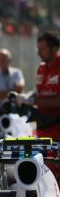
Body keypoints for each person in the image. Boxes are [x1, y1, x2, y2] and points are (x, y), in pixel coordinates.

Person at [18, 31, 60, 182]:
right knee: (45, 173)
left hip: (57, 129)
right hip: (42, 127)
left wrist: (34, 101)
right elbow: (38, 91)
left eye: (43, 49)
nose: (39, 53)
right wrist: (29, 97)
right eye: (38, 49)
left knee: (54, 173)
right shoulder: (41, 68)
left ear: (54, 48)